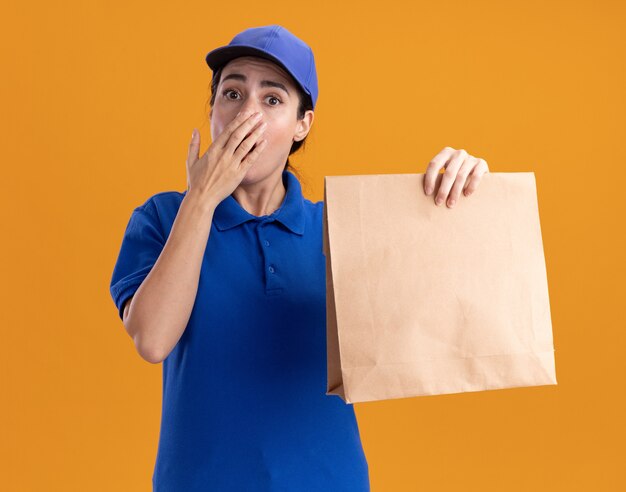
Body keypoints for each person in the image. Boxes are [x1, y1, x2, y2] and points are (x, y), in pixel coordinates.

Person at [109, 24, 489, 492]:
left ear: (302, 124)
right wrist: (200, 201)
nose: (248, 114)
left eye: (272, 100)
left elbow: (435, 317)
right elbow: (151, 339)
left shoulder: (343, 226)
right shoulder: (163, 217)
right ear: (213, 112)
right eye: (232, 93)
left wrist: (467, 192)